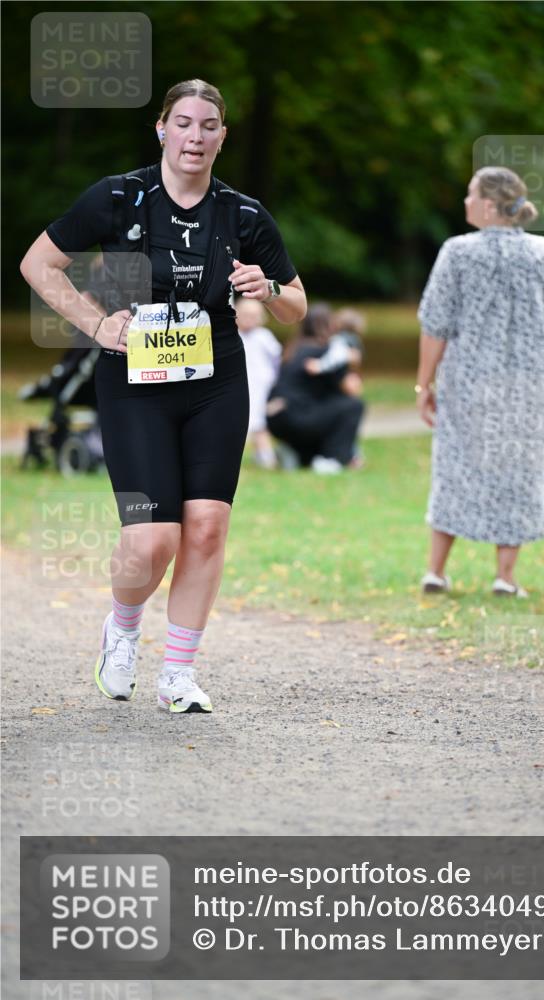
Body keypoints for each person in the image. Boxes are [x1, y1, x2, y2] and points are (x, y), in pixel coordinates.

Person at [20, 78, 306, 713]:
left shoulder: (245, 214)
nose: (195, 136)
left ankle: (178, 672)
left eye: (208, 126)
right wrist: (96, 324)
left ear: (222, 136)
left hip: (216, 382)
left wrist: (268, 289)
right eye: (183, 123)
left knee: (205, 528)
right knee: (153, 539)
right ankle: (121, 629)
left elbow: (295, 305)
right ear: (162, 128)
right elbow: (38, 264)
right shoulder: (120, 197)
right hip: (134, 381)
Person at [416, 166, 544, 597]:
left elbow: (434, 324)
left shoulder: (456, 252)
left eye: (471, 194)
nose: (465, 202)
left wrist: (424, 384)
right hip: (528, 385)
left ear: (491, 205)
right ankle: (505, 577)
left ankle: (436, 571)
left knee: (455, 467)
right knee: (519, 472)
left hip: (467, 382)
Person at [266, 303, 365, 473]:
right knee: (353, 406)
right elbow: (352, 389)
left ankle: (297, 455)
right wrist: (352, 361)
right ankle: (332, 459)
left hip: (275, 419)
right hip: (299, 416)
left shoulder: (293, 350)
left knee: (327, 411)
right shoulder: (326, 352)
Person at [235, 298, 282, 468]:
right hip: (239, 383)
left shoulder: (264, 336)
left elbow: (276, 359)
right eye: (246, 315)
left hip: (260, 385)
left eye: (254, 316)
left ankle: (266, 458)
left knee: (258, 421)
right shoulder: (232, 334)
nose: (249, 319)